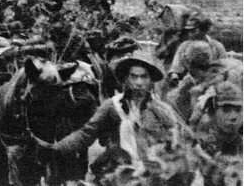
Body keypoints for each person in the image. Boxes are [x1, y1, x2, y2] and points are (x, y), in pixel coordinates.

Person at [33, 50, 189, 181]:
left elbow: (176, 143)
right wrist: (57, 148)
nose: (139, 82)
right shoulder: (112, 106)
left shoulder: (162, 110)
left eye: (144, 77)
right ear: (125, 80)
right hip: (119, 173)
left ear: (150, 81)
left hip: (154, 175)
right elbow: (87, 133)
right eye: (134, 77)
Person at [167, 13, 227, 86]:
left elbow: (225, 69)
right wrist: (175, 77)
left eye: (193, 31)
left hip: (213, 84)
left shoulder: (217, 47)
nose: (190, 34)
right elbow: (176, 67)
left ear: (204, 30)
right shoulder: (184, 46)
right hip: (190, 83)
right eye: (189, 31)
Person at [193, 81, 243, 157]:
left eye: (238, 109)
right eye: (226, 110)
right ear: (214, 111)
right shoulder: (202, 146)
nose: (233, 116)